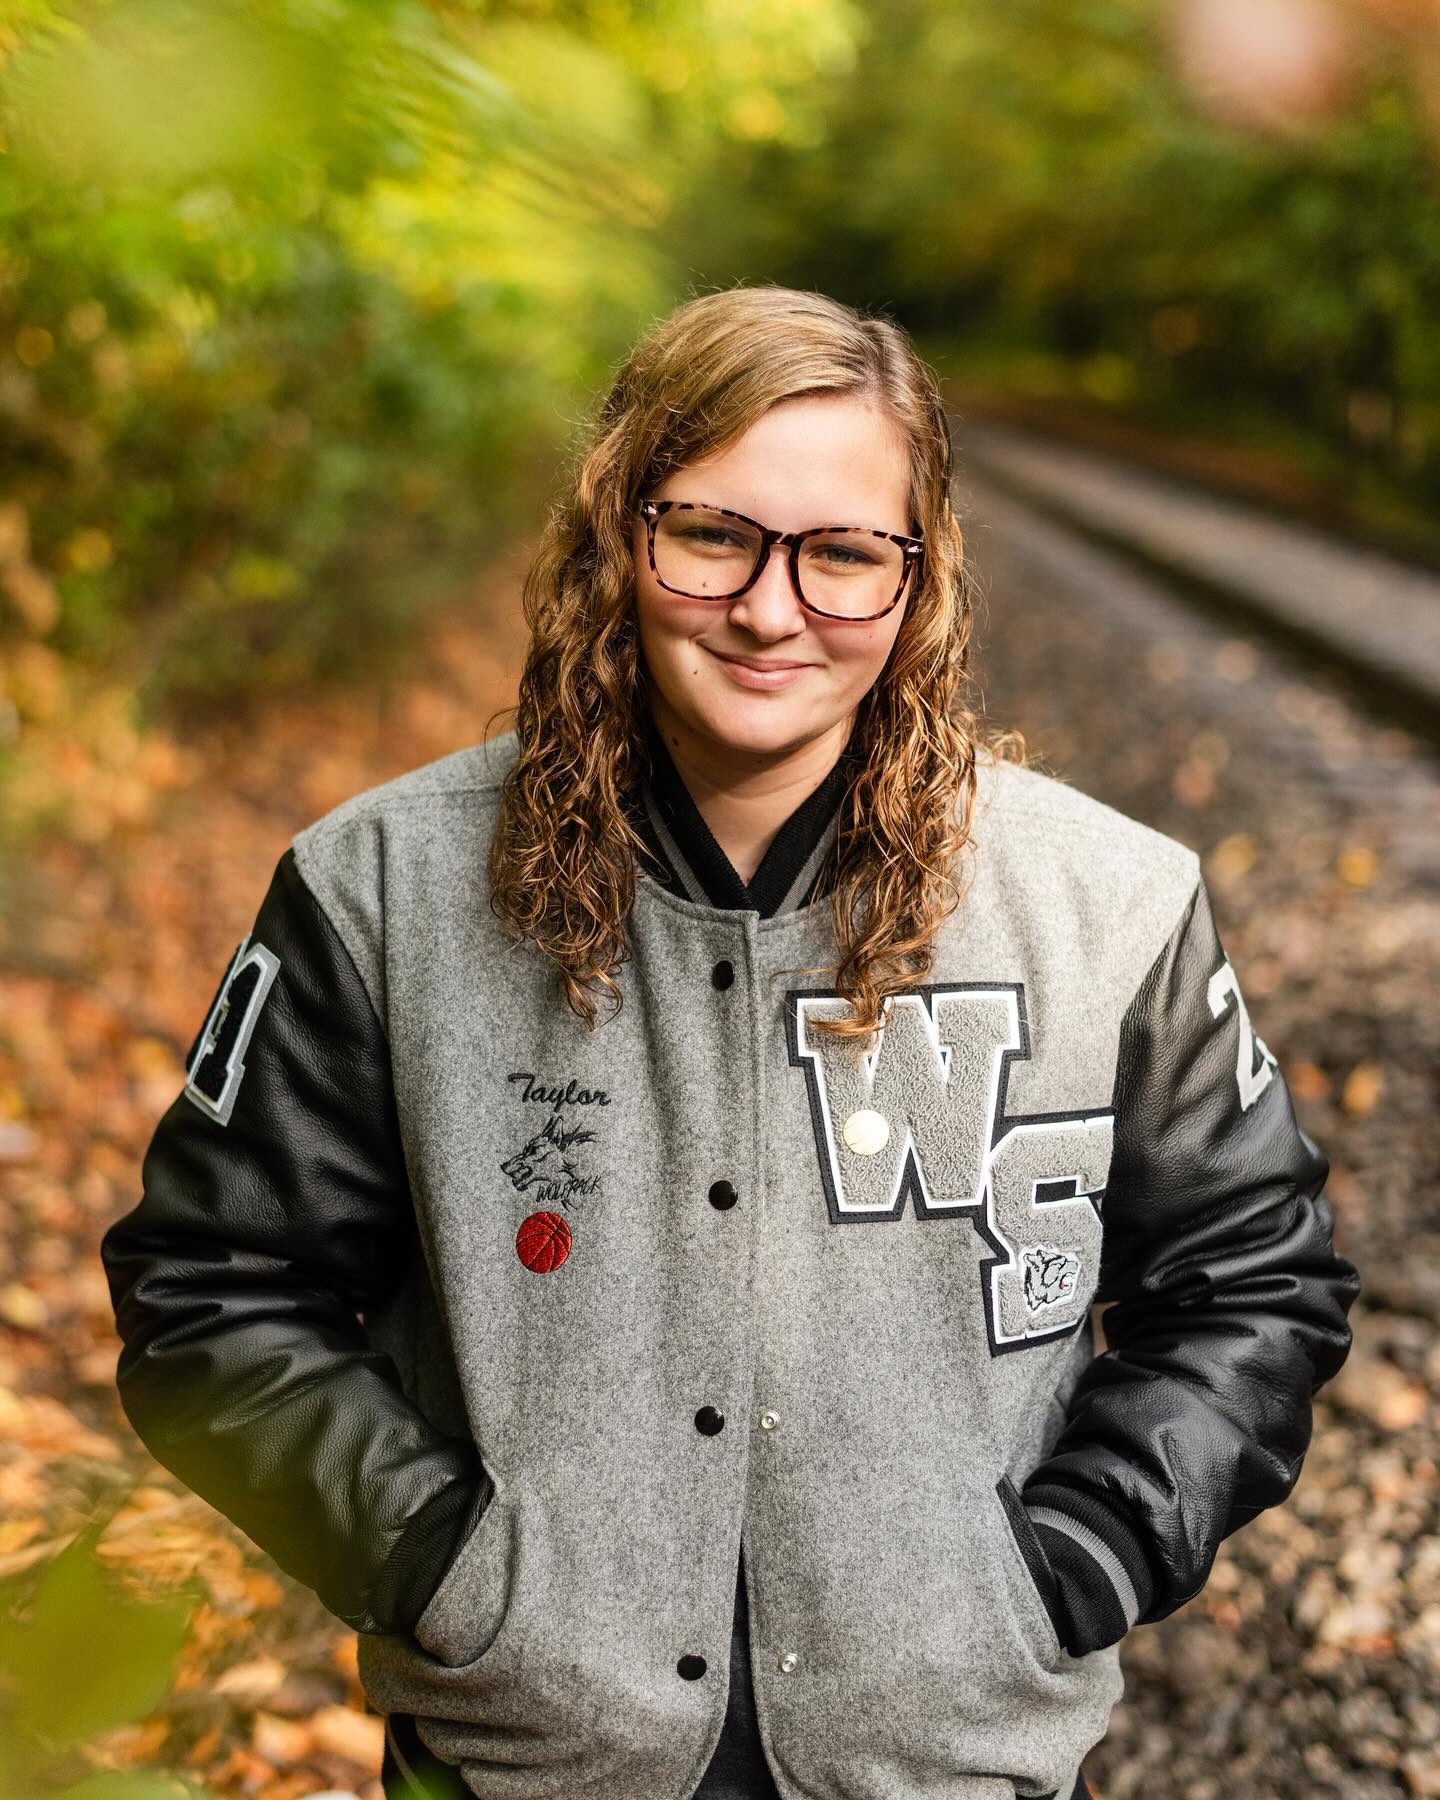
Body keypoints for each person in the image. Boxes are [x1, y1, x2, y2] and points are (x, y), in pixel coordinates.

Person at [100, 284, 1361, 1800]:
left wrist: (1070, 1568)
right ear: (618, 538)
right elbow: (213, 1292)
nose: (773, 609)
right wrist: (444, 1566)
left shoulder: (1111, 905)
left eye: (842, 554)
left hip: (952, 1763)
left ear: (919, 576)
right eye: (713, 536)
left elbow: (1255, 1283)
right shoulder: (380, 892)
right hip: (527, 1764)